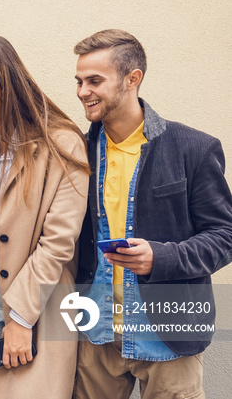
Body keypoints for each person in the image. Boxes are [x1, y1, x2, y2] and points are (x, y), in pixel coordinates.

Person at [73, 29, 232, 399]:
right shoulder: (76, 153)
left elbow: (224, 235)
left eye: (95, 80)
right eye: (79, 81)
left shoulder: (194, 148)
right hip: (94, 335)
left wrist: (161, 257)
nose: (82, 91)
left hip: (170, 336)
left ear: (133, 79)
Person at [0, 35, 90, 399]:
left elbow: (57, 243)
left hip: (43, 299)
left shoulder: (62, 144)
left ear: (6, 82)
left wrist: (21, 318)